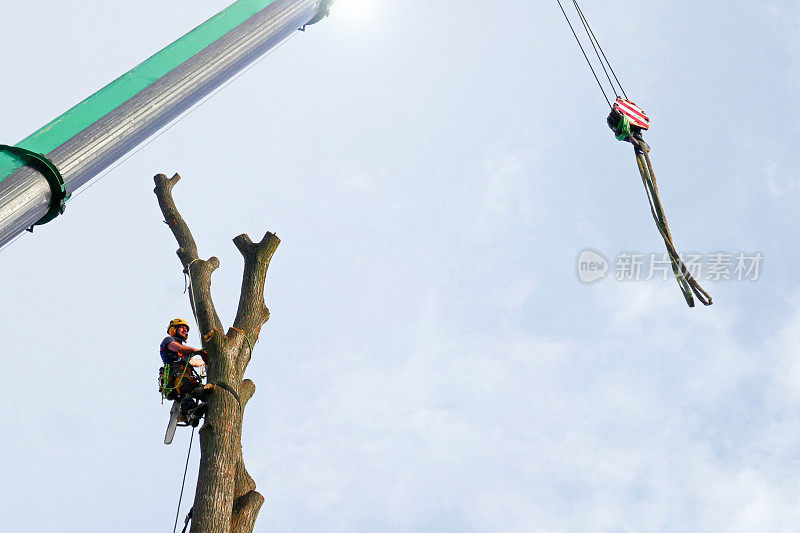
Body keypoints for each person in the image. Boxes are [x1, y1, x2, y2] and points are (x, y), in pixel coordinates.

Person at [159, 318, 211, 426]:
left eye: (186, 329)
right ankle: (190, 411)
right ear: (173, 329)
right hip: (176, 374)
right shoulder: (168, 341)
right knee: (185, 388)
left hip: (188, 376)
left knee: (205, 391)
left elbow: (194, 362)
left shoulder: (186, 354)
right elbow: (179, 349)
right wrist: (198, 351)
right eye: (182, 328)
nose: (185, 330)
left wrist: (208, 360)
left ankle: (188, 414)